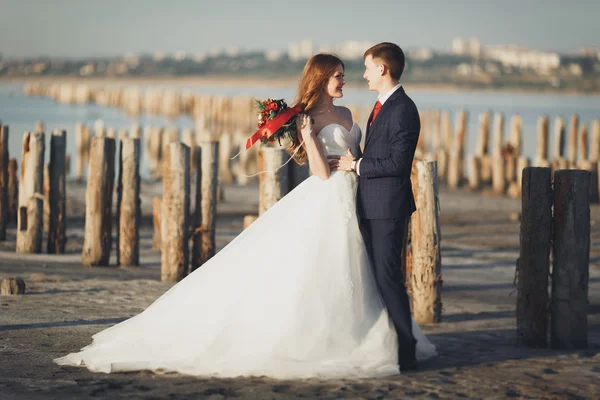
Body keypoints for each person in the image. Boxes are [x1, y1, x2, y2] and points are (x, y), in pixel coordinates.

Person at [54, 53, 436, 379]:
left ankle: (381, 339)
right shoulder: (307, 118)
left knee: (362, 271)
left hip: (356, 196)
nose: (346, 80)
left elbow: (363, 153)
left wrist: (356, 165)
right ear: (321, 79)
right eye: (339, 75)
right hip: (328, 193)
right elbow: (319, 171)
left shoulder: (352, 111)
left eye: (347, 74)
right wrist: (304, 134)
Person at [328, 43, 422, 371]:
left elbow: (398, 162)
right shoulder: (382, 105)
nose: (364, 74)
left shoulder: (403, 109)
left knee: (388, 276)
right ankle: (386, 343)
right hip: (370, 204)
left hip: (388, 207)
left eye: (368, 67)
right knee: (374, 277)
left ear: (382, 69)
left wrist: (357, 165)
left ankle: (406, 350)